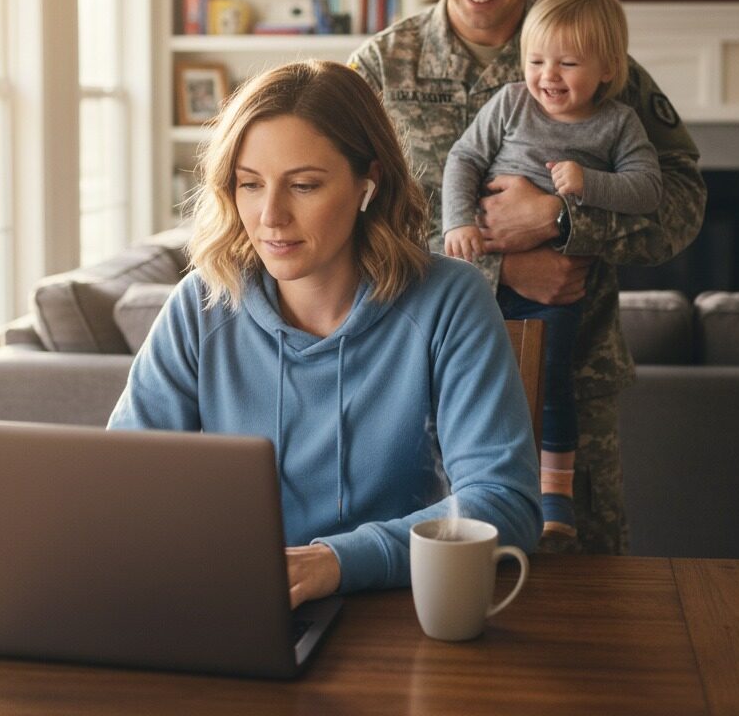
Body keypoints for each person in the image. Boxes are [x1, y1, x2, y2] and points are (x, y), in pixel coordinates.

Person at [348, 0, 706, 554]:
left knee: (584, 597)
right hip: (419, 385)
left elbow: (685, 203)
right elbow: (342, 228)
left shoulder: (593, 57)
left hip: (570, 385)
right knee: (430, 595)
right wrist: (497, 271)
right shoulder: (380, 69)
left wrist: (565, 222)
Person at [108, 60, 541, 607]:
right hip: (237, 606)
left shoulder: (450, 302)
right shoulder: (199, 306)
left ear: (369, 182)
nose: (270, 216)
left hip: (393, 609)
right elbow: (123, 486)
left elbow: (505, 502)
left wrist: (339, 560)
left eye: (304, 185)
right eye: (249, 184)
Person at [442, 0, 662, 539]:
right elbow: (463, 158)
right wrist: (459, 224)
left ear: (609, 68)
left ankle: (555, 498)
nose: (549, 76)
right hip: (480, 283)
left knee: (551, 383)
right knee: (478, 386)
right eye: (537, 61)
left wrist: (583, 190)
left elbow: (649, 190)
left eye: (568, 63)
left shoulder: (617, 124)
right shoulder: (513, 102)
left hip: (560, 288)